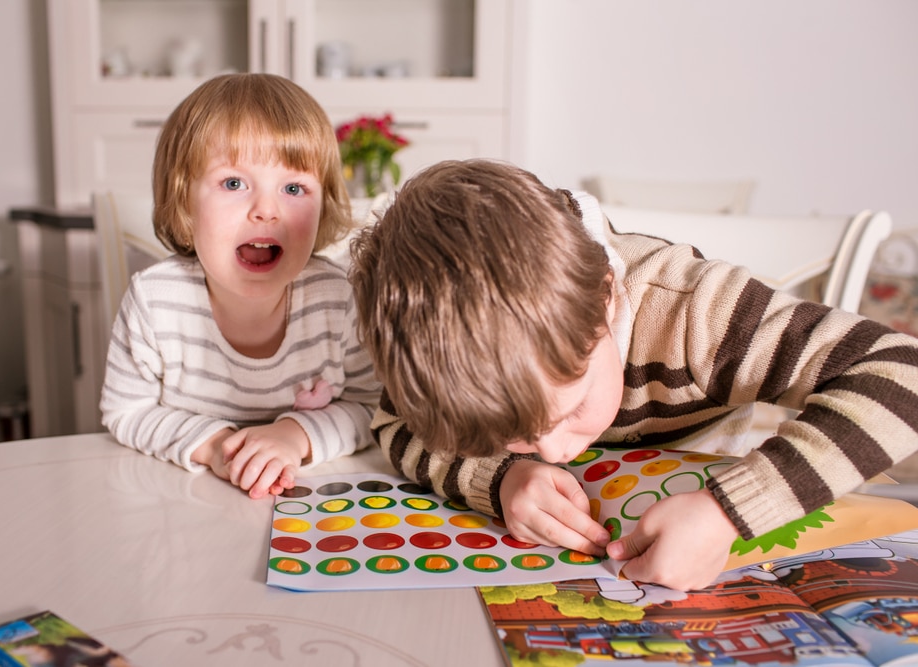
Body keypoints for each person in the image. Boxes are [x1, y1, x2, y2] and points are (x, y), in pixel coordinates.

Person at [348, 158, 918, 590]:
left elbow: (901, 371)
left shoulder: (693, 310)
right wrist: (496, 477)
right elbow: (395, 423)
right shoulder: (440, 351)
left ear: (607, 299)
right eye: (516, 436)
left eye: (571, 410)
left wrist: (727, 512)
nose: (553, 452)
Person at [101, 73, 381, 499]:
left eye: (293, 188)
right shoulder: (155, 300)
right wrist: (217, 447)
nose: (266, 210)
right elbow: (126, 410)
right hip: (184, 508)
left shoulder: (339, 298)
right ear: (183, 200)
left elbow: (371, 406)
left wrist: (294, 435)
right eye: (233, 183)